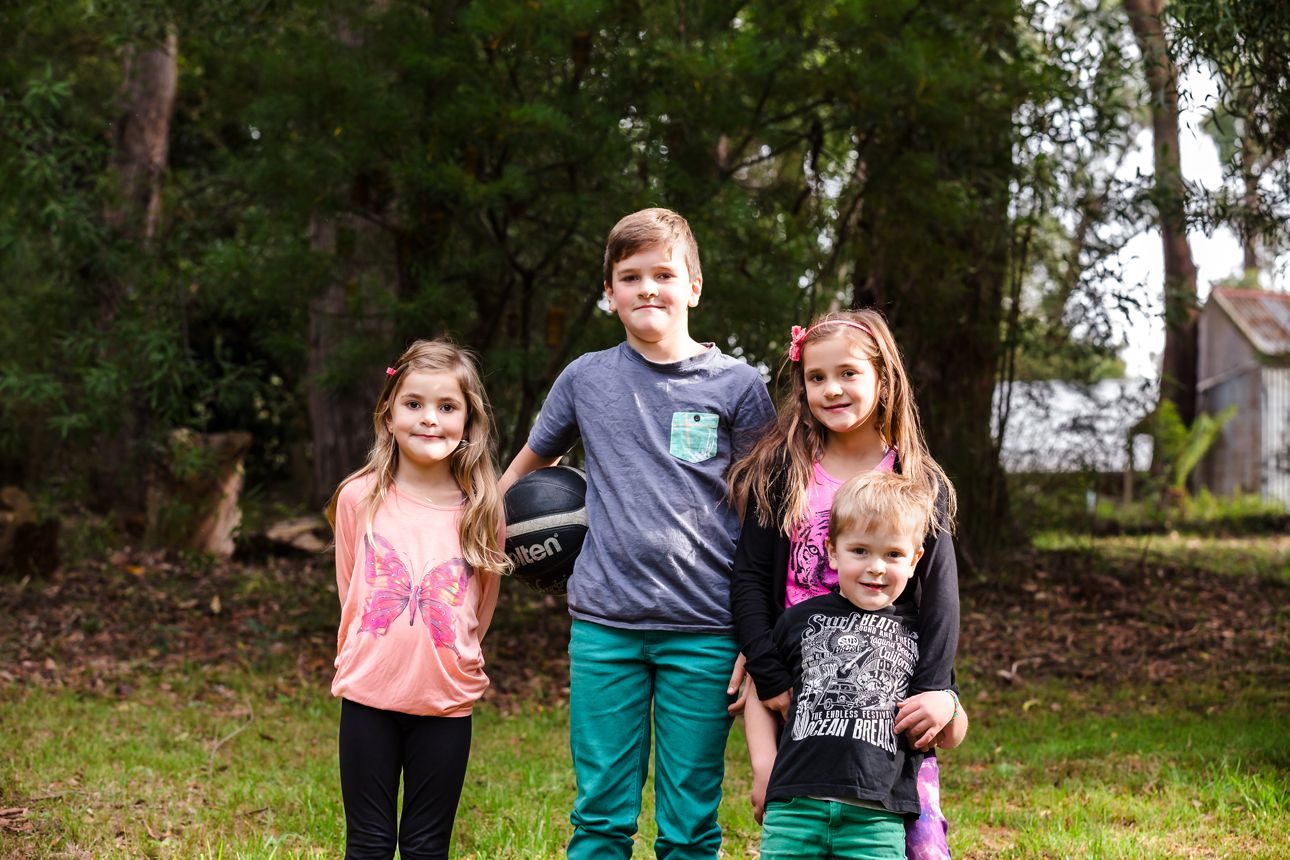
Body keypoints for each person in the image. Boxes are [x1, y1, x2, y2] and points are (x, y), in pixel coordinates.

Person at [500, 207, 776, 859]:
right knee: (599, 815)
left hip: (706, 630)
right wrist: (470, 524)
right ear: (609, 293)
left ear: (694, 287)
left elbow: (767, 514)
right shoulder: (586, 378)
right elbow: (523, 471)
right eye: (630, 276)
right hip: (605, 627)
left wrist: (757, 630)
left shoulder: (737, 386)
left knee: (689, 824)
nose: (647, 288)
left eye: (663, 273)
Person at [728, 310, 967, 858]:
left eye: (848, 373)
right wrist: (766, 668)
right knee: (803, 821)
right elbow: (748, 577)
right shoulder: (783, 470)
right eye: (817, 377)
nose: (832, 389)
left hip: (887, 685)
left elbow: (940, 596)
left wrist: (935, 688)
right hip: (799, 677)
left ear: (883, 377)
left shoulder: (918, 481)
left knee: (914, 839)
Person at [325, 339, 508, 860]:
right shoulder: (359, 497)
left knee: (428, 844)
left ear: (469, 421)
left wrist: (452, 657)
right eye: (414, 404)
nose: (430, 419)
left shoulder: (482, 510)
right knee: (368, 843)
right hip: (368, 696)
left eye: (447, 407)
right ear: (388, 414)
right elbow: (352, 594)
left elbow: (480, 606)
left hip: (445, 703)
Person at [759, 471, 968, 860]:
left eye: (892, 554)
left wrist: (948, 706)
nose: (875, 567)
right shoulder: (798, 620)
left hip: (877, 817)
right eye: (860, 551)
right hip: (794, 809)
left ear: (915, 560)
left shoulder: (920, 636)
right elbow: (764, 691)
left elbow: (952, 732)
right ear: (833, 552)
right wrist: (762, 768)